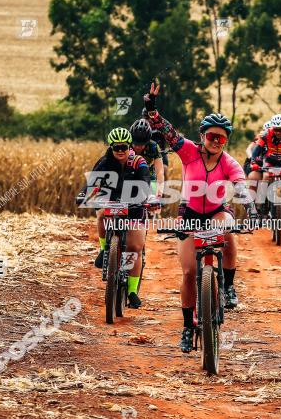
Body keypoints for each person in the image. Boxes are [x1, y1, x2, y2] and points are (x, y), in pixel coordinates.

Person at [143, 81, 259, 353]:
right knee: (188, 272)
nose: (216, 142)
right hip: (190, 213)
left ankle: (228, 287)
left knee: (228, 231)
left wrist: (251, 209)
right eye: (211, 137)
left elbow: (241, 188)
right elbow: (168, 132)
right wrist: (152, 110)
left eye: (222, 138)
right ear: (203, 136)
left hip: (218, 211)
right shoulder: (189, 152)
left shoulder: (228, 162)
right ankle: (186, 327)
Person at [76, 127, 156, 309]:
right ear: (111, 147)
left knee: (134, 248)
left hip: (134, 202)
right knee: (102, 213)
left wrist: (148, 198)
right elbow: (91, 183)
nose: (120, 151)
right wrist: (82, 194)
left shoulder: (138, 161)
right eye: (116, 147)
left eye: (124, 147)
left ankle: (132, 291)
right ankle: (105, 249)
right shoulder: (105, 162)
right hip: (111, 199)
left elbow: (145, 181)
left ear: (129, 147)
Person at [130, 118, 166, 196]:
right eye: (135, 144)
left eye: (142, 144)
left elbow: (160, 171)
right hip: (129, 178)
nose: (138, 147)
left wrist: (160, 190)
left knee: (155, 205)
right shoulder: (126, 145)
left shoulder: (153, 146)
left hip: (149, 178)